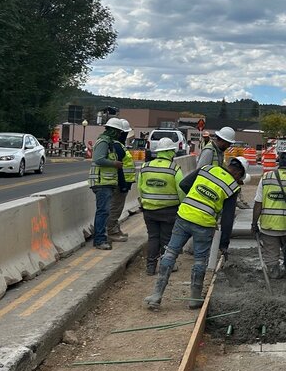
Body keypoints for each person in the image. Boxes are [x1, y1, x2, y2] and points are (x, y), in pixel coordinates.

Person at [144, 156, 250, 310]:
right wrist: (224, 244)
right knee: (200, 260)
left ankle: (156, 295)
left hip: (184, 216)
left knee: (170, 253)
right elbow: (227, 219)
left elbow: (184, 184)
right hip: (204, 224)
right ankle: (194, 298)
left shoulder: (207, 169)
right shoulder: (232, 187)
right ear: (239, 173)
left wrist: (195, 198)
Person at [251, 146, 286, 279]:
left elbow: (258, 203)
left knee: (271, 254)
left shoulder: (266, 177)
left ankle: (273, 271)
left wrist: (254, 223)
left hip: (268, 226)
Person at [138, 137, 186, 275]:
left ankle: (150, 267)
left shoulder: (145, 167)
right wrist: (182, 206)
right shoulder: (174, 169)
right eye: (173, 151)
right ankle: (167, 266)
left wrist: (144, 202)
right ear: (170, 152)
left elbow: (140, 188)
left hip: (149, 210)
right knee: (166, 238)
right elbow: (181, 190)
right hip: (169, 211)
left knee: (153, 237)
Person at [87, 117, 126, 250]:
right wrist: (114, 164)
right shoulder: (103, 142)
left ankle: (101, 238)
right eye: (119, 132)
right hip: (101, 182)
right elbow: (99, 159)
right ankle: (99, 240)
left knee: (105, 211)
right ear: (113, 131)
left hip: (106, 183)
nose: (120, 135)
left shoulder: (109, 143)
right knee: (103, 211)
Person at [106, 118, 136, 242]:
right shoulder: (117, 146)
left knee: (116, 207)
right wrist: (123, 183)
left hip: (122, 182)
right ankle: (111, 231)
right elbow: (118, 167)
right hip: (120, 183)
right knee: (115, 207)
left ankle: (115, 229)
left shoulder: (119, 145)